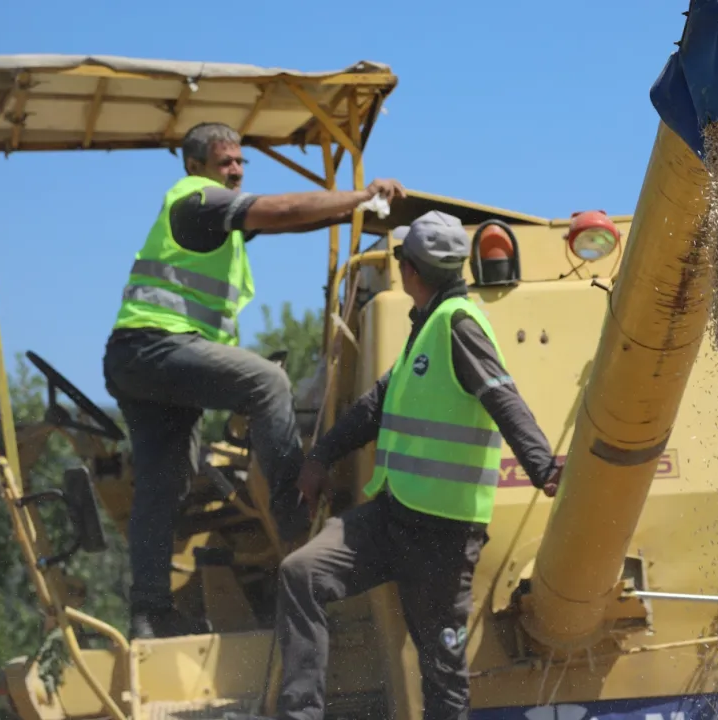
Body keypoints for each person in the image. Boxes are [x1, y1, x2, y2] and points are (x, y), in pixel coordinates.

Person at [240, 210, 563, 720]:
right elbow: (375, 406)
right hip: (392, 518)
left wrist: (544, 468)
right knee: (302, 572)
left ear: (410, 270)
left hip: (443, 539)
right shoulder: (426, 328)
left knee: (442, 677)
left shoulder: (458, 325)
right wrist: (320, 456)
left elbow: (504, 397)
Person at [102, 121, 407, 640]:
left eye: (241, 161)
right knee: (267, 383)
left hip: (140, 360)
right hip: (156, 348)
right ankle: (295, 522)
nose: (237, 170)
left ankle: (150, 611)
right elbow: (282, 210)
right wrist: (362, 195)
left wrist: (355, 210)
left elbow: (291, 221)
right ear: (195, 166)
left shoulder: (214, 217)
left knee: (164, 484)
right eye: (226, 162)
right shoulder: (196, 200)